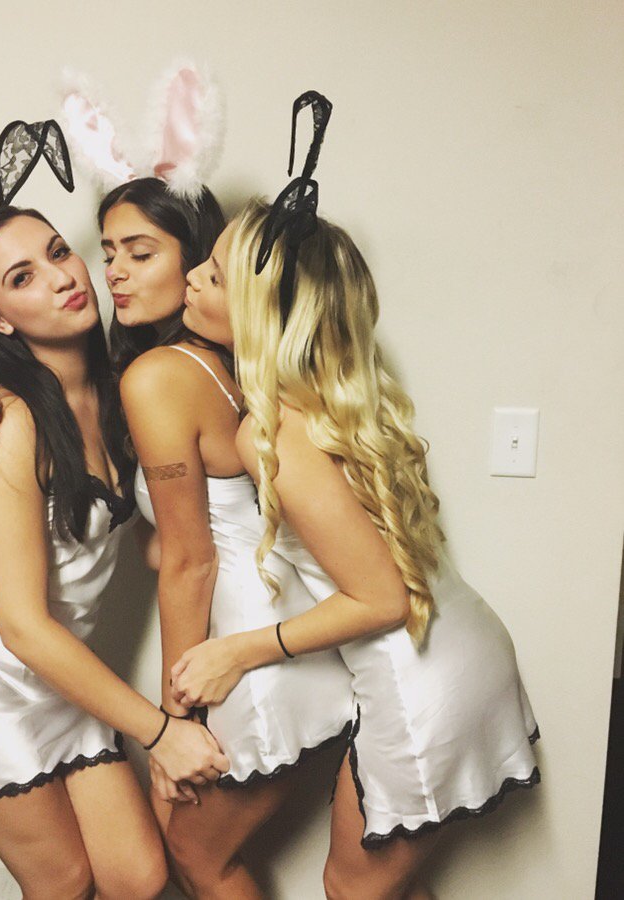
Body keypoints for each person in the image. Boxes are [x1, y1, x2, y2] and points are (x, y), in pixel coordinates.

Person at [0, 126, 229, 899]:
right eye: (23, 277)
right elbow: (20, 627)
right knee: (65, 881)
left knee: (138, 877)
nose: (61, 277)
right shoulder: (12, 427)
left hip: (59, 676)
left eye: (58, 252)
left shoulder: (125, 385)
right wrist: (163, 731)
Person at [170, 195, 541, 899]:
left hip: (419, 678)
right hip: (461, 649)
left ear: (260, 315)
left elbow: (381, 600)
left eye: (214, 275)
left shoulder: (273, 434)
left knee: (352, 889)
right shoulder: (334, 399)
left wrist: (235, 652)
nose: (192, 277)